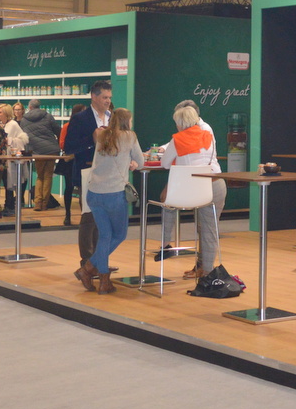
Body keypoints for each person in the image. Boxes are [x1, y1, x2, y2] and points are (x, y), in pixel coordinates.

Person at [78, 108, 144, 294]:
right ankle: (89, 269)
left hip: (94, 192)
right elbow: (140, 161)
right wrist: (133, 163)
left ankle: (103, 280)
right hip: (114, 194)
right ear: (126, 121)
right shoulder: (130, 136)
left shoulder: (102, 135)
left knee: (105, 235)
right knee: (119, 235)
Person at [160, 104, 226, 281]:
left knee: (166, 201)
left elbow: (165, 164)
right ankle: (207, 273)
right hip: (217, 184)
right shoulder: (207, 134)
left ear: (180, 123)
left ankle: (165, 243)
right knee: (209, 230)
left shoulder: (177, 140)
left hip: (193, 189)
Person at [65, 81, 112, 211]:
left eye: (109, 97)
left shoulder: (113, 118)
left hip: (110, 172)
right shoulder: (79, 118)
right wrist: (92, 139)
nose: (108, 101)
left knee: (108, 212)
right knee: (89, 213)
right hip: (88, 171)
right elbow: (69, 147)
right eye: (105, 97)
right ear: (94, 97)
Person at [20, 98, 62, 211]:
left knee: (40, 176)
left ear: (30, 107)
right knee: (48, 176)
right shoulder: (48, 116)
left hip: (37, 151)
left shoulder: (24, 120)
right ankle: (44, 203)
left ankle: (38, 203)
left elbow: (24, 136)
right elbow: (58, 131)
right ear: (39, 106)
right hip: (51, 150)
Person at [0, 104, 27, 217]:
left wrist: (9, 140)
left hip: (11, 159)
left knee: (9, 182)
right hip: (3, 158)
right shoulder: (1, 124)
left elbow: (22, 139)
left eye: (0, 112)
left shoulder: (13, 125)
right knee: (6, 182)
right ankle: (8, 205)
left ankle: (9, 206)